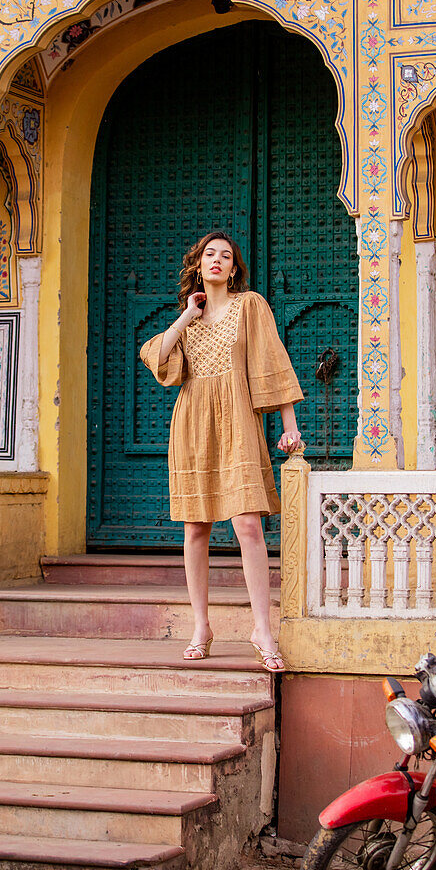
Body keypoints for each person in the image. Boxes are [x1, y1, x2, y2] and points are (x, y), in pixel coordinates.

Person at [140, 230, 304, 673]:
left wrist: (290, 430)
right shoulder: (187, 320)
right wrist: (186, 316)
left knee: (248, 525)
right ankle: (201, 626)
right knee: (196, 528)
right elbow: (155, 359)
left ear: (234, 268)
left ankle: (262, 629)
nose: (216, 261)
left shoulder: (250, 305)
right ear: (198, 265)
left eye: (225, 256)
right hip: (193, 424)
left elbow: (273, 361)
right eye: (209, 255)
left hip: (237, 421)